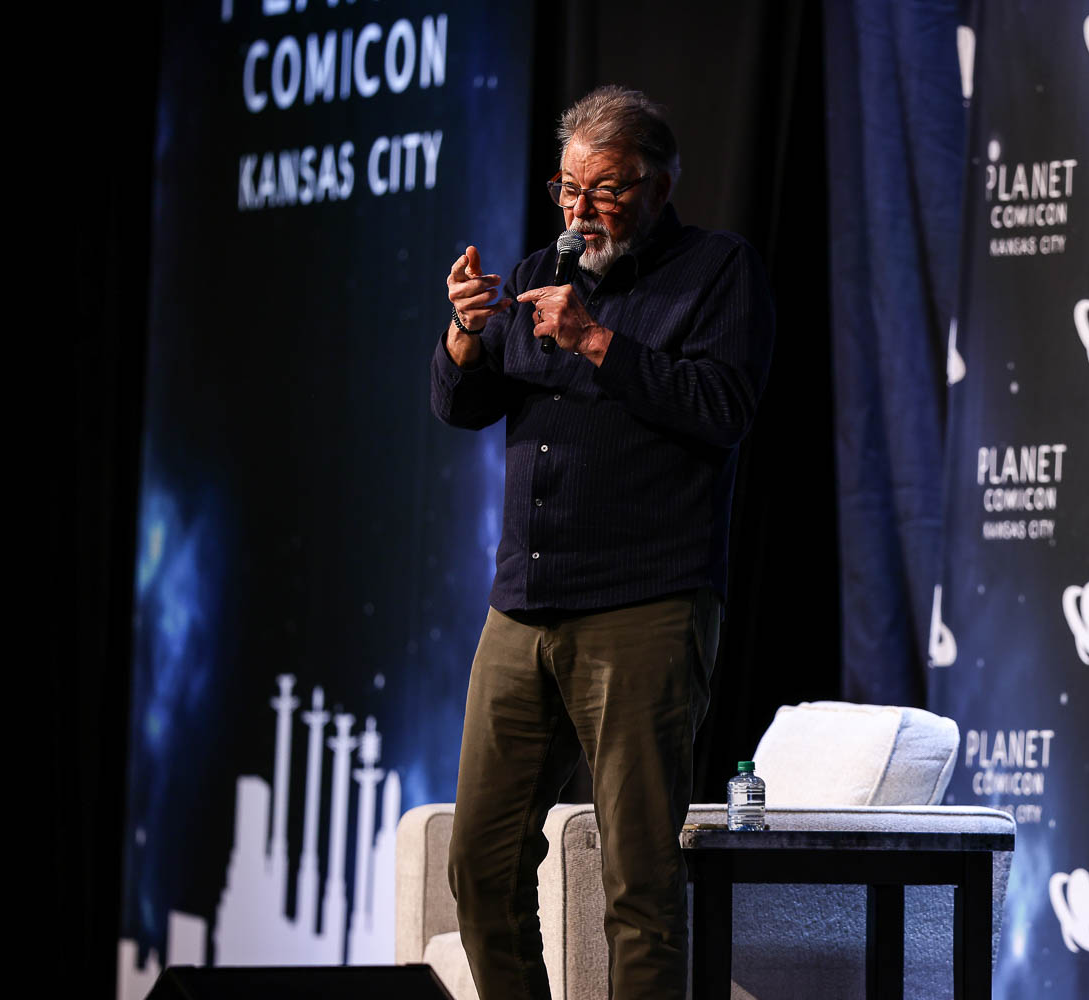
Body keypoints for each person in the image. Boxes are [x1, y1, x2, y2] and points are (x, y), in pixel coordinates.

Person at [430, 85, 775, 1000]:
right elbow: (462, 406)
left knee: (640, 884)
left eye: (606, 191)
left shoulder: (717, 271)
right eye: (569, 189)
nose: (581, 212)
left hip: (643, 606)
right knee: (480, 864)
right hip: (523, 607)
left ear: (659, 187)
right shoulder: (540, 269)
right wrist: (465, 334)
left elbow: (722, 408)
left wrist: (595, 341)